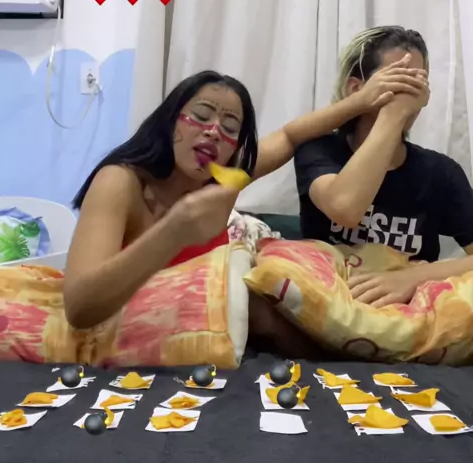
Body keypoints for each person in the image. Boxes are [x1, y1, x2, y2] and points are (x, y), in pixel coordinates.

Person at [64, 64, 427, 343]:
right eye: (201, 116)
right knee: (259, 311)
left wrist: (363, 102)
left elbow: (290, 136)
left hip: (228, 311)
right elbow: (79, 307)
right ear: (170, 121)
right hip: (153, 332)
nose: (213, 131)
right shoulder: (120, 182)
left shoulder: (224, 179)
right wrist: (174, 230)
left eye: (229, 127)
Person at [294, 26, 473, 309]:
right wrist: (393, 113)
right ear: (356, 89)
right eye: (399, 79)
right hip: (329, 304)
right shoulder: (319, 149)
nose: (411, 96)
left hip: (410, 312)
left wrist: (415, 276)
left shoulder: (441, 172)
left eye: (419, 83)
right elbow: (345, 207)